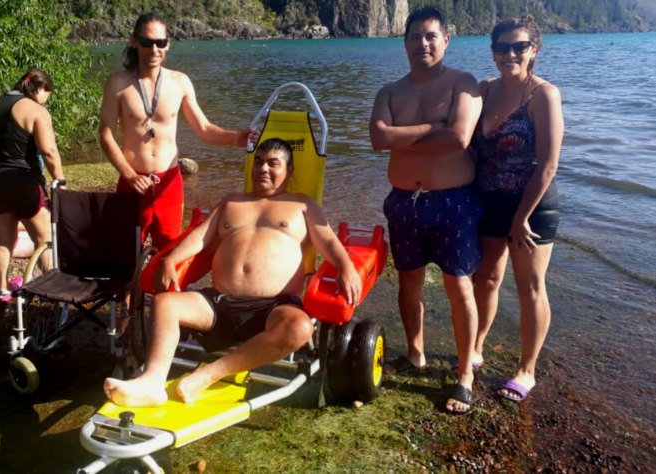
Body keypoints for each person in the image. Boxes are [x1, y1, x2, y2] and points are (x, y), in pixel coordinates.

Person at [103, 138, 362, 407]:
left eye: (273, 163)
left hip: (274, 307)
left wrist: (346, 266)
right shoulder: (231, 202)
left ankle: (209, 374)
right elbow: (200, 237)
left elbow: (329, 242)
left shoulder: (303, 206)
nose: (264, 168)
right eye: (259, 162)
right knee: (165, 303)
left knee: (300, 328)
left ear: (290, 170)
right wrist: (170, 259)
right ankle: (152, 382)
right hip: (219, 301)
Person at [369, 6, 483, 414]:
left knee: (459, 286)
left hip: (453, 202)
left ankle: (465, 375)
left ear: (446, 40)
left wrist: (403, 135)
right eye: (415, 36)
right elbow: (378, 139)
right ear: (405, 42)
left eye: (431, 36)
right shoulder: (390, 92)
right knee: (408, 282)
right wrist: (430, 129)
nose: (423, 43)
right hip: (404, 202)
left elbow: (459, 137)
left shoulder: (463, 84)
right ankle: (415, 353)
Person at [98, 12, 256, 250]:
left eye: (160, 42)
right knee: (126, 252)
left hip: (169, 184)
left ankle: (160, 289)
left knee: (169, 252)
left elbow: (204, 129)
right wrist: (129, 175)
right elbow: (105, 134)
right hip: (132, 182)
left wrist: (236, 138)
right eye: (147, 42)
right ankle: (129, 288)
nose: (154, 49)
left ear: (168, 43)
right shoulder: (118, 83)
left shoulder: (179, 82)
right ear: (133, 41)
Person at [470, 14, 563, 403]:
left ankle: (527, 370)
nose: (509, 53)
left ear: (534, 49)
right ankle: (474, 347)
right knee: (486, 279)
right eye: (501, 47)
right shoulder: (485, 89)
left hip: (532, 206)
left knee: (529, 286)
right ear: (492, 52)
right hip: (488, 199)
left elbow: (548, 165)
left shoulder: (543, 95)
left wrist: (521, 217)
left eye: (519, 46)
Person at [0, 68, 64, 303]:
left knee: (2, 237)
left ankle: (1, 291)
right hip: (22, 180)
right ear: (40, 89)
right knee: (44, 237)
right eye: (46, 96)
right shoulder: (36, 110)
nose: (45, 101)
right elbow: (49, 151)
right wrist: (59, 181)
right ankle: (50, 290)